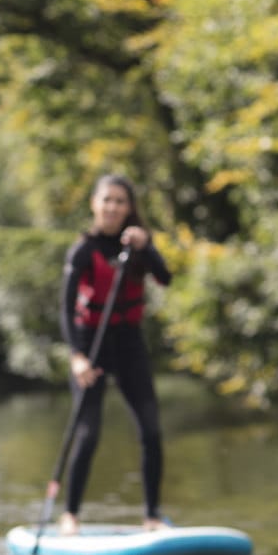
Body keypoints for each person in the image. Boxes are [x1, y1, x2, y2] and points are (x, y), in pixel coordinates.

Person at [56, 174, 173, 535]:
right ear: (95, 203)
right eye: (107, 200)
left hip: (129, 344)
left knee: (151, 430)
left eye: (120, 201)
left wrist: (148, 245)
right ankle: (70, 514)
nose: (113, 207)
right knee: (88, 433)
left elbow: (165, 278)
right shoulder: (83, 249)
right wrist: (76, 356)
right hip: (91, 344)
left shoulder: (137, 246)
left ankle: (152, 515)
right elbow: (64, 306)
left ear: (129, 208)